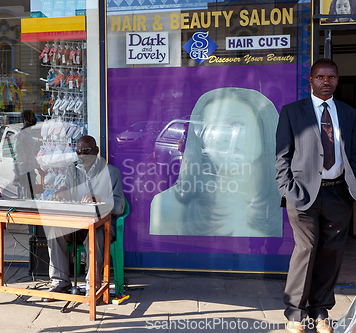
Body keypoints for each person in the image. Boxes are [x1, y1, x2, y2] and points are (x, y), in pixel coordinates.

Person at [275, 58, 356, 333]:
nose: (326, 81)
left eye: (331, 77)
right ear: (310, 80)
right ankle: (295, 313)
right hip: (303, 196)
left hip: (338, 195)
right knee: (306, 250)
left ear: (337, 80)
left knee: (331, 254)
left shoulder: (348, 113)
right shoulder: (292, 111)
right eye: (320, 77)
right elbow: (281, 156)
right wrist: (287, 189)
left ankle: (320, 310)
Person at [150, 87, 282, 237]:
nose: (221, 137)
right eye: (211, 127)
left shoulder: (287, 202)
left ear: (264, 129)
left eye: (237, 125)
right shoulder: (168, 205)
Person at [43, 135, 125, 299]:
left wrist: (100, 199)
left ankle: (92, 284)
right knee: (54, 230)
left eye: (86, 151)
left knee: (94, 234)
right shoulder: (72, 171)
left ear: (96, 150)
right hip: (77, 224)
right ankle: (60, 282)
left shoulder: (111, 172)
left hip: (102, 226)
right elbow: (67, 191)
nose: (82, 155)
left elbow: (119, 206)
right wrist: (61, 193)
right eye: (79, 152)